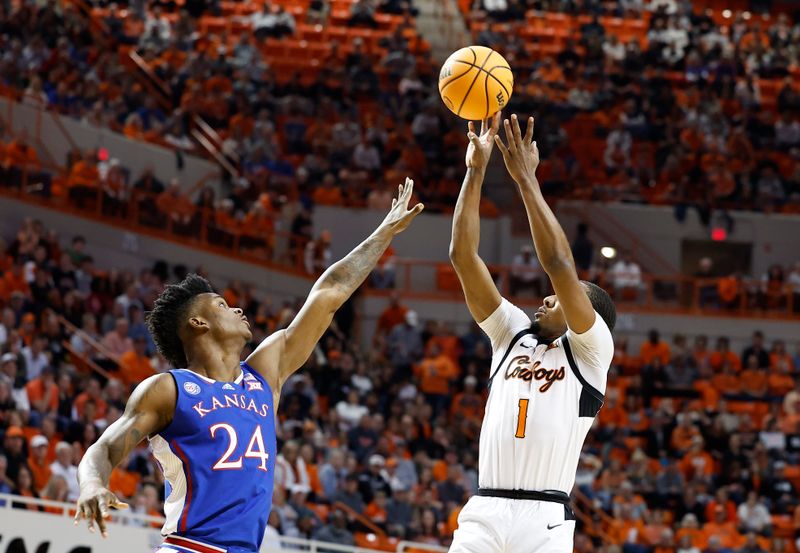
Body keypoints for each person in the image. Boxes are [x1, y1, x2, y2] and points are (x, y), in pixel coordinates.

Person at [74, 181, 424, 551]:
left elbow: (328, 295)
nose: (238, 309)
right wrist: (93, 484)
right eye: (222, 305)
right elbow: (104, 448)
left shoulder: (264, 375)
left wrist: (383, 235)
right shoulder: (168, 390)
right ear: (197, 324)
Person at [448, 113, 616, 553]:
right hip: (484, 514)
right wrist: (476, 171)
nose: (545, 298)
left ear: (587, 313)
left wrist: (526, 180)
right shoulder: (511, 334)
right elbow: (463, 257)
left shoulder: (592, 352)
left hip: (544, 519)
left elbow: (560, 265)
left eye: (560, 298)